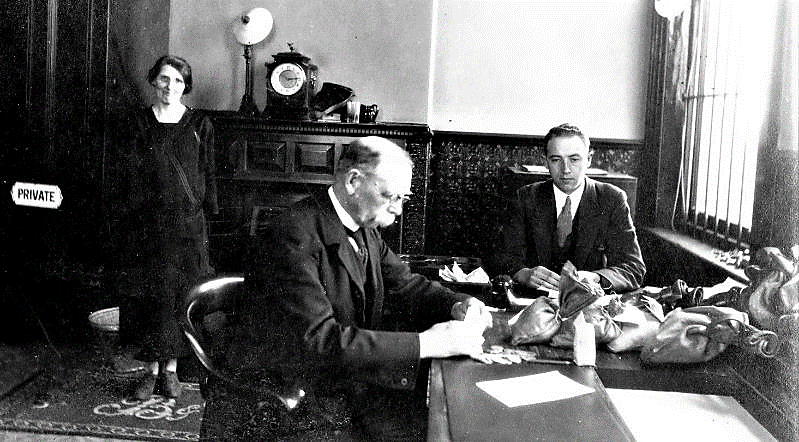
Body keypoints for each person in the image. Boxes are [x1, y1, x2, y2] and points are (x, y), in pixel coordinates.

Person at [200, 136, 492, 441]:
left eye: (403, 199)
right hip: (288, 399)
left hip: (340, 383)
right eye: (391, 196)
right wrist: (426, 344)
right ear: (353, 181)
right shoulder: (293, 235)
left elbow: (407, 285)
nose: (398, 210)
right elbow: (320, 341)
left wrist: (458, 302)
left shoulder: (364, 228)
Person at [112, 55, 217, 400]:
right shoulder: (138, 123)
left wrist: (206, 214)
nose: (169, 86)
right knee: (149, 298)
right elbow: (126, 176)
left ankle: (170, 372)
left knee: (177, 296)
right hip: (147, 227)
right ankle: (149, 371)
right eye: (163, 79)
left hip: (186, 229)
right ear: (153, 81)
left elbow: (208, 174)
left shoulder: (200, 125)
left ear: (186, 85)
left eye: (177, 80)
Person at [488, 123, 645, 293]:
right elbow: (500, 257)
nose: (566, 169)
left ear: (589, 160)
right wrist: (522, 274)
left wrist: (596, 278)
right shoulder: (526, 197)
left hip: (589, 304)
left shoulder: (612, 199)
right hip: (534, 302)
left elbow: (633, 267)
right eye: (556, 160)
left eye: (574, 159)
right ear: (545, 161)